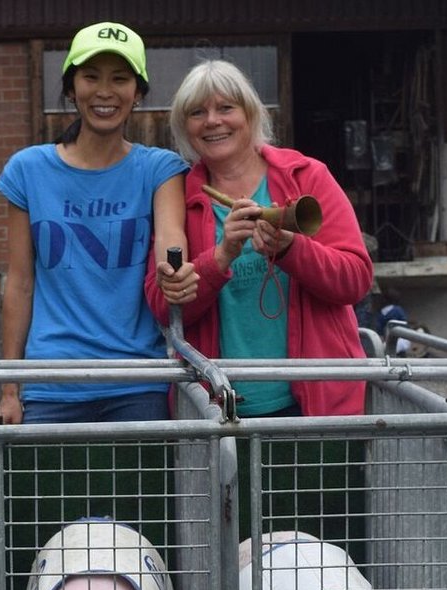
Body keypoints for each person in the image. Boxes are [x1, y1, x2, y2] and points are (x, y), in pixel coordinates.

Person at [146, 60, 373, 416]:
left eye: (226, 108)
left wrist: (292, 249)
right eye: (197, 112)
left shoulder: (306, 176)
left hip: (318, 403)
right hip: (218, 408)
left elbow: (355, 280)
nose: (212, 121)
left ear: (250, 114)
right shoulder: (178, 196)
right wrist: (220, 257)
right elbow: (164, 306)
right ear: (184, 127)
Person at [0, 21, 190, 424]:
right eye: (90, 77)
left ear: (138, 93)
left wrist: (175, 272)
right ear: (71, 88)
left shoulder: (160, 169)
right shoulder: (28, 170)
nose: (105, 91)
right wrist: (9, 387)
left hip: (138, 382)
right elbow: (20, 283)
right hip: (50, 382)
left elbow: (171, 244)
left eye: (120, 78)